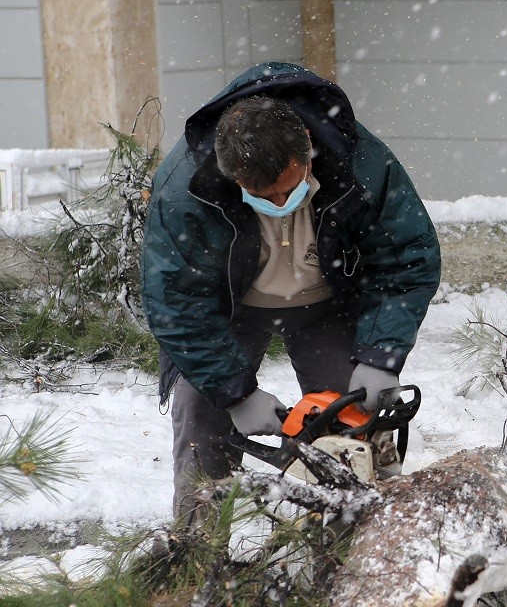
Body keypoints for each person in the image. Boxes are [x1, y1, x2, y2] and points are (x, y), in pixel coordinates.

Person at [142, 62, 441, 518]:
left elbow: (406, 258)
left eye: (288, 189)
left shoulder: (359, 161)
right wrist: (234, 393)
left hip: (327, 305)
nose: (279, 205)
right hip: (230, 313)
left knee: (350, 426)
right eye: (262, 194)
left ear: (307, 148)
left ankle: (361, 539)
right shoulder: (187, 190)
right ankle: (197, 545)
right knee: (202, 419)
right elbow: (176, 305)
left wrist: (381, 354)